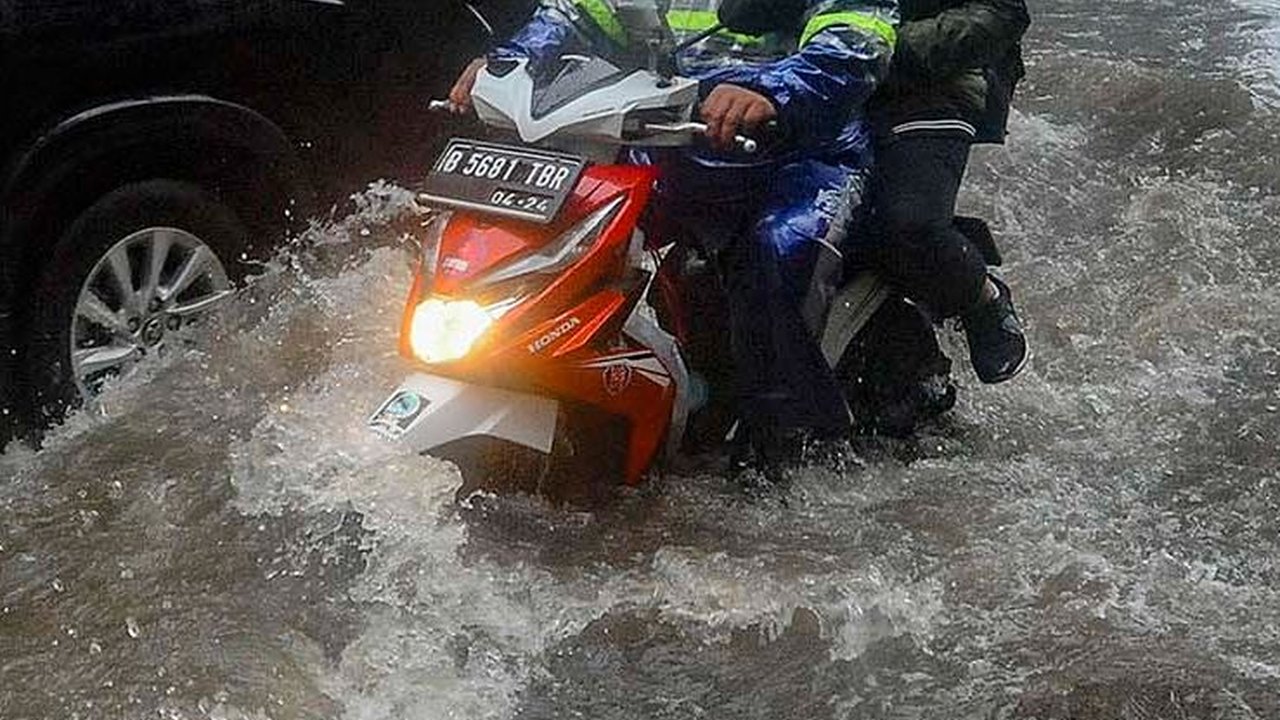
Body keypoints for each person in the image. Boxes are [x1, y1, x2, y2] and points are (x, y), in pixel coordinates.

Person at [449, 0, 901, 471]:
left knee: (778, 251)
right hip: (670, 143)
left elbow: (858, 41)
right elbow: (574, 14)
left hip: (800, 156)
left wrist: (771, 91)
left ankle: (790, 440)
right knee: (575, 222)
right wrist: (506, 64)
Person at [863, 0, 1032, 388]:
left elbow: (1003, 12)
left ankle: (981, 298)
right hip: (814, 73)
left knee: (908, 222)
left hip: (930, 84)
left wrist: (893, 46)